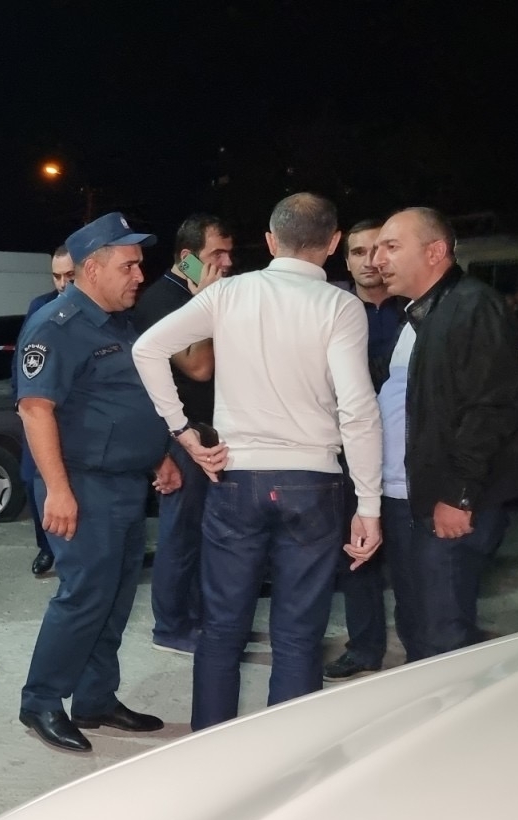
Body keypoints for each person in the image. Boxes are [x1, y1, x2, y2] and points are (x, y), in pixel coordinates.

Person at [134, 193, 384, 732]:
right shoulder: (340, 307)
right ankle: (285, 756)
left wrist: (182, 431)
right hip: (315, 483)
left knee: (221, 629)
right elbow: (358, 409)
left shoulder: (227, 293)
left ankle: (210, 750)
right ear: (334, 243)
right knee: (299, 636)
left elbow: (146, 349)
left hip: (236, 478)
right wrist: (369, 504)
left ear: (270, 241)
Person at [15, 212, 181, 753]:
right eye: (128, 265)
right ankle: (41, 701)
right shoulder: (57, 326)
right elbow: (35, 409)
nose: (140, 274)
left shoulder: (118, 322)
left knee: (113, 598)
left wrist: (158, 456)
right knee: (84, 596)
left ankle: (95, 699)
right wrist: (58, 490)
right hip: (83, 485)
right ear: (93, 268)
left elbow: (126, 400)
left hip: (126, 482)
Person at [370, 207, 518, 661]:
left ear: (435, 251)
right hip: (406, 498)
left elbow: (488, 408)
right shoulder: (414, 317)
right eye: (377, 248)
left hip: (448, 500)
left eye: (391, 246)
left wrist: (460, 494)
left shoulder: (474, 306)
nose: (378, 260)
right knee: (415, 624)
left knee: (444, 635)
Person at [131, 214, 231, 655]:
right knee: (181, 535)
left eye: (229, 253)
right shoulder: (162, 300)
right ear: (187, 258)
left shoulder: (196, 294)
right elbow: (199, 366)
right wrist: (207, 303)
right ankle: (171, 627)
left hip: (208, 433)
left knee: (206, 535)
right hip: (180, 437)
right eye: (216, 254)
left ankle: (200, 621)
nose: (226, 263)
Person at [323, 219, 411, 681]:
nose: (370, 260)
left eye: (378, 249)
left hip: (406, 454)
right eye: (358, 252)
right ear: (346, 259)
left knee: (412, 560)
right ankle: (364, 647)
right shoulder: (333, 311)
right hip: (347, 452)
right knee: (357, 556)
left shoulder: (413, 312)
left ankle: (425, 648)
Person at [16, 246, 76, 576]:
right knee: (32, 481)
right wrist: (19, 402)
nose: (63, 283)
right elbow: (22, 360)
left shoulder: (101, 309)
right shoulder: (40, 307)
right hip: (40, 412)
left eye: (69, 276)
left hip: (77, 418)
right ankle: (46, 547)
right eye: (57, 276)